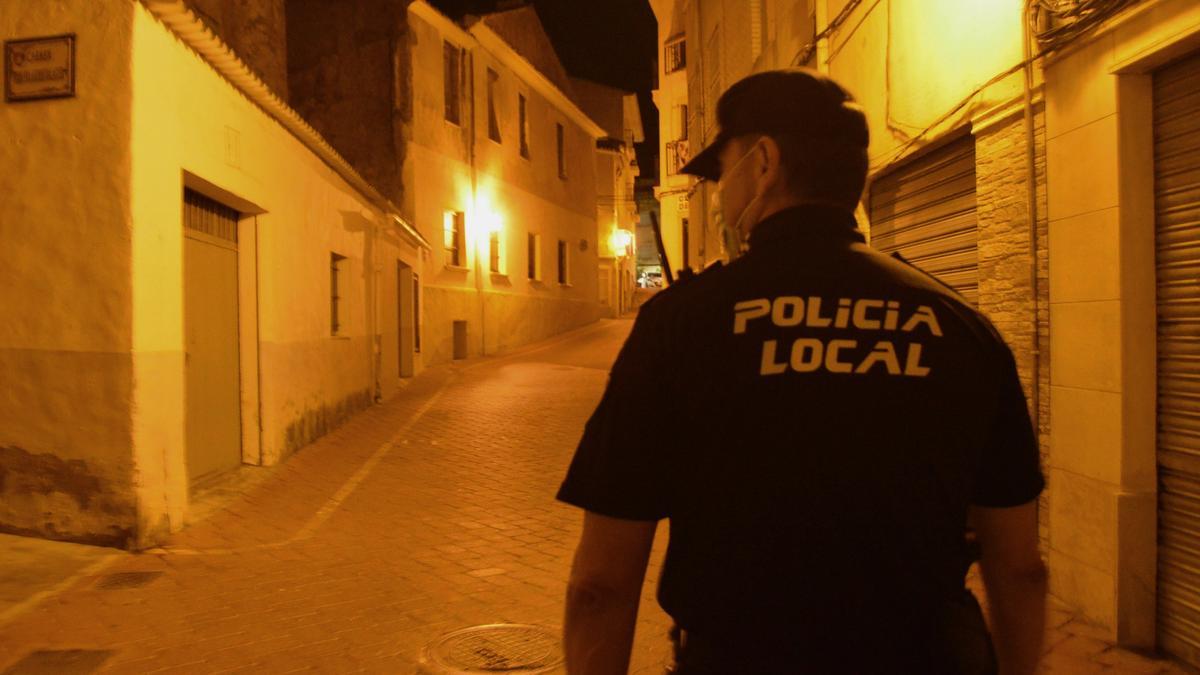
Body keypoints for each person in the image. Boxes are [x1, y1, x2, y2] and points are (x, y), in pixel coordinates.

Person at [557, 68, 1046, 675]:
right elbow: (1019, 568)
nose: (719, 197)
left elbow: (600, 583)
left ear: (763, 162)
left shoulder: (679, 327)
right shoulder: (961, 328)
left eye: (722, 172)